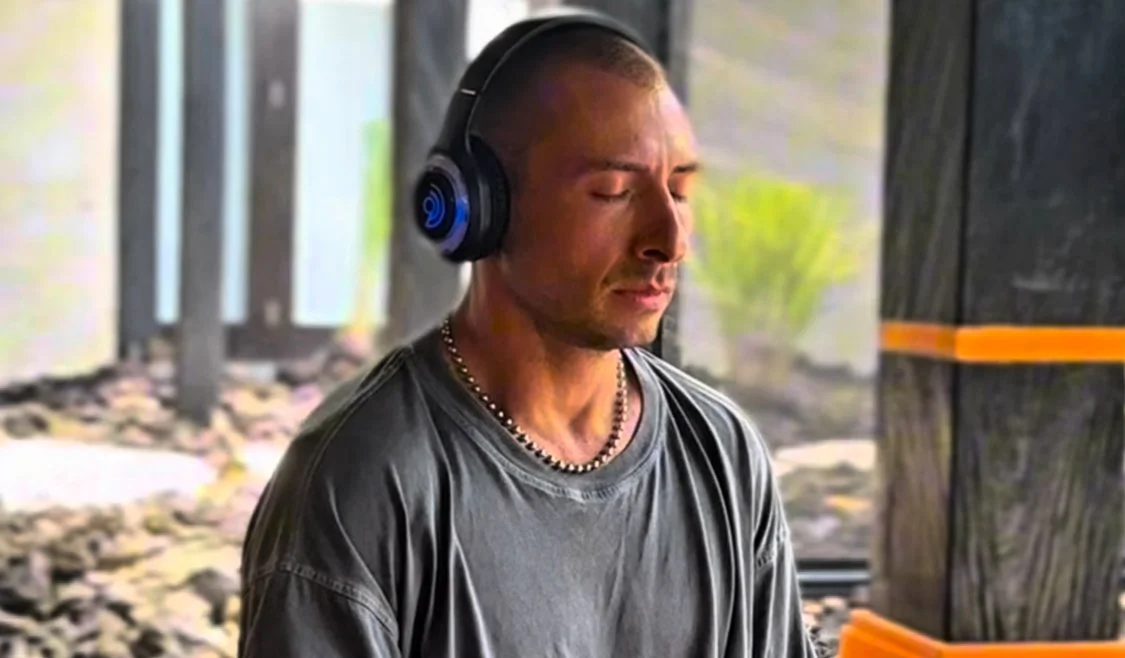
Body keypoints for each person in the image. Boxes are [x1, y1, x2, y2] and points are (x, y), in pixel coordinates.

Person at [237, 10, 818, 658]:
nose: (669, 240)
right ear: (480, 207)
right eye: (614, 192)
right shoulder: (361, 478)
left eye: (678, 191)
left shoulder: (723, 452)